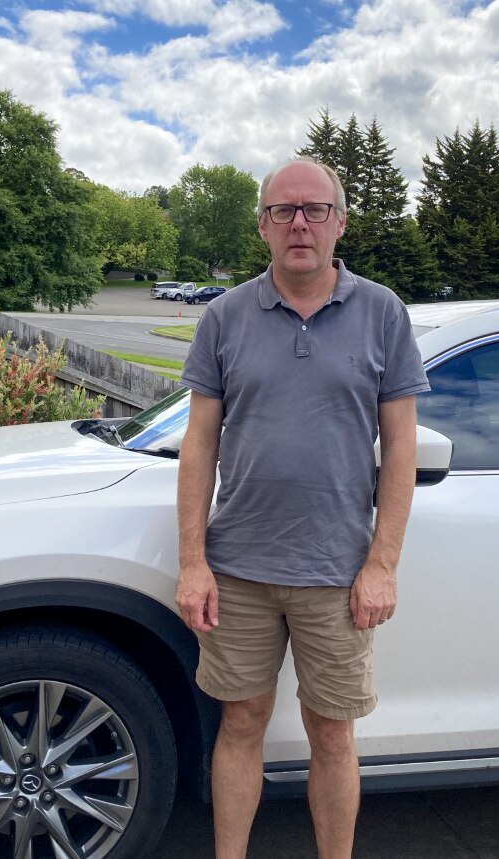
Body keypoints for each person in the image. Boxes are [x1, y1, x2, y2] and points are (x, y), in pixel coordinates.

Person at [175, 157, 429, 859]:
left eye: (314, 210)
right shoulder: (224, 316)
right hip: (238, 570)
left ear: (339, 222)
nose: (298, 223)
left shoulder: (383, 313)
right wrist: (193, 562)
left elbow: (401, 446)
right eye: (281, 210)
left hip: (337, 574)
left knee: (333, 733)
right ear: (261, 225)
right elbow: (199, 442)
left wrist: (381, 564)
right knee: (240, 722)